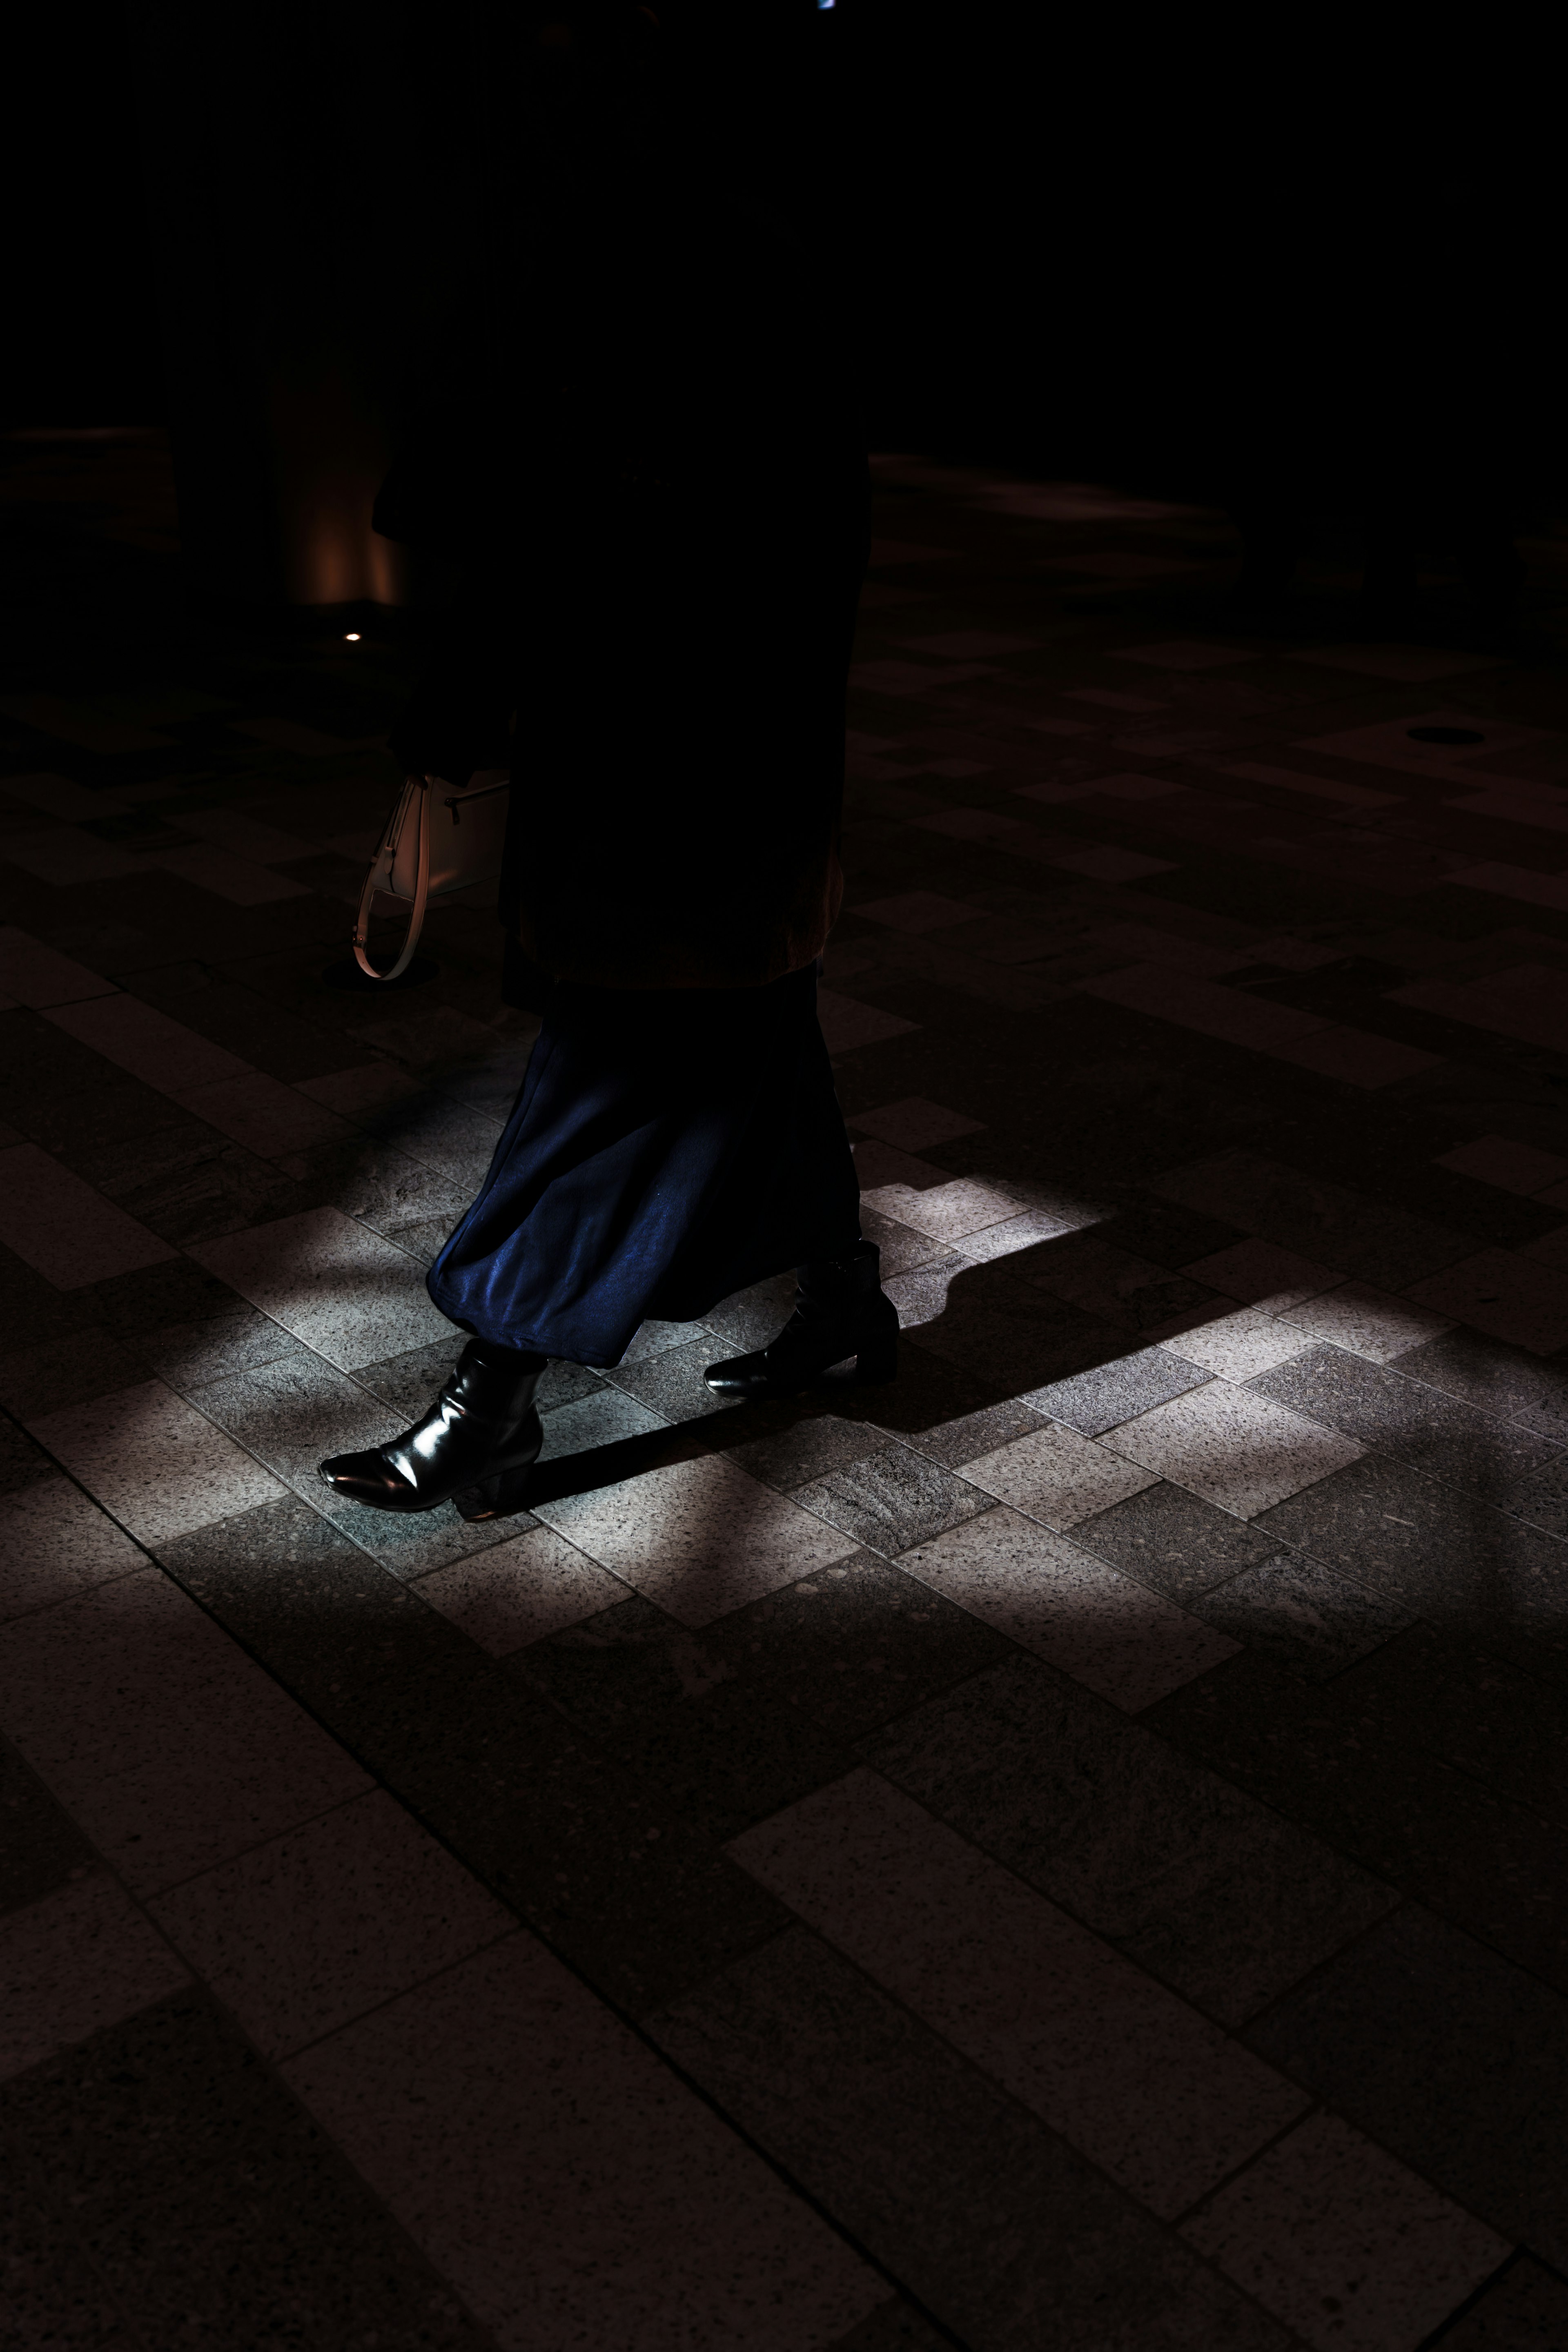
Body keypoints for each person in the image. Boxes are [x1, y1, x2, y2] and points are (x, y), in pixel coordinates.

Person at [319, 0, 896, 1525]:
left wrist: (469, 670)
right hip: (718, 768)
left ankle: (484, 1403)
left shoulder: (664, 273)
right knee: (748, 1051)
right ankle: (844, 1305)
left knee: (620, 1077)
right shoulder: (727, 266)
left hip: (684, 776)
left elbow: (537, 511)